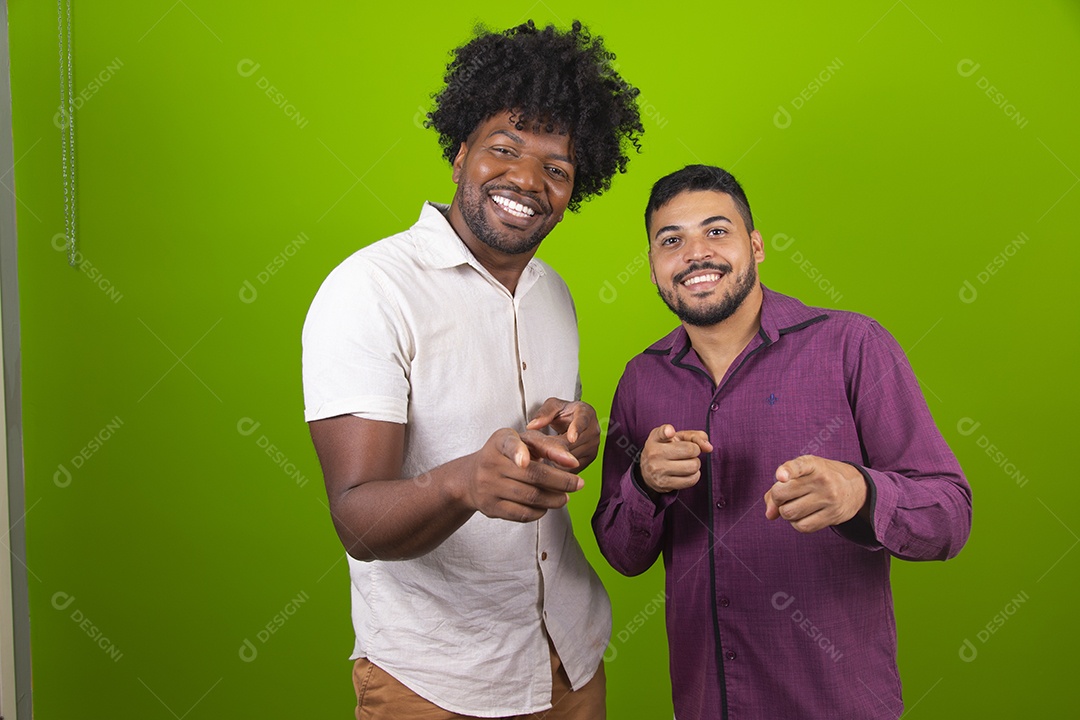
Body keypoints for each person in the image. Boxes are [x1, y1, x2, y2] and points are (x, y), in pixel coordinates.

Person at [302, 20, 642, 720]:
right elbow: (357, 520)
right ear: (459, 153)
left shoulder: (552, 291)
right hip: (436, 681)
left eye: (557, 167)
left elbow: (553, 445)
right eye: (505, 149)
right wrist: (463, 482)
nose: (527, 179)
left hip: (570, 659)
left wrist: (578, 437)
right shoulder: (370, 290)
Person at [592, 165, 972, 720]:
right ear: (652, 265)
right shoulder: (640, 381)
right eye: (671, 240)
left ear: (756, 245)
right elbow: (621, 554)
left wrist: (861, 493)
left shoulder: (853, 345)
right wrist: (645, 485)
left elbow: (950, 516)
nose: (695, 254)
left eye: (716, 231)